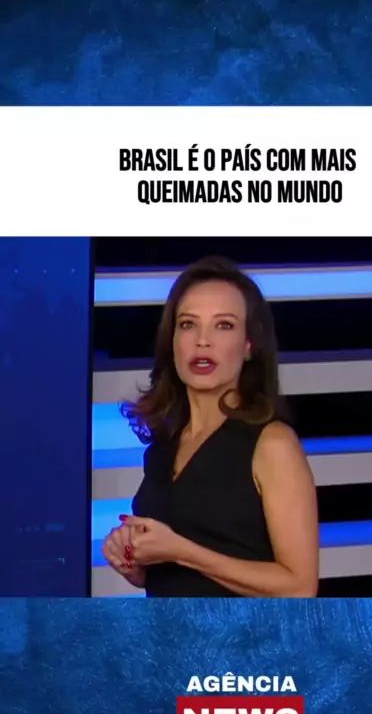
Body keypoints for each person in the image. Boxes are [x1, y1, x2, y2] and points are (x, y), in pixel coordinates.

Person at [101, 256, 319, 597]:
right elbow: (178, 578)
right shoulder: (165, 444)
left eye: (224, 325)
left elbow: (299, 588)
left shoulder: (272, 443)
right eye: (188, 324)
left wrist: (182, 552)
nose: (202, 340)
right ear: (172, 341)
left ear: (249, 346)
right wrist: (136, 562)